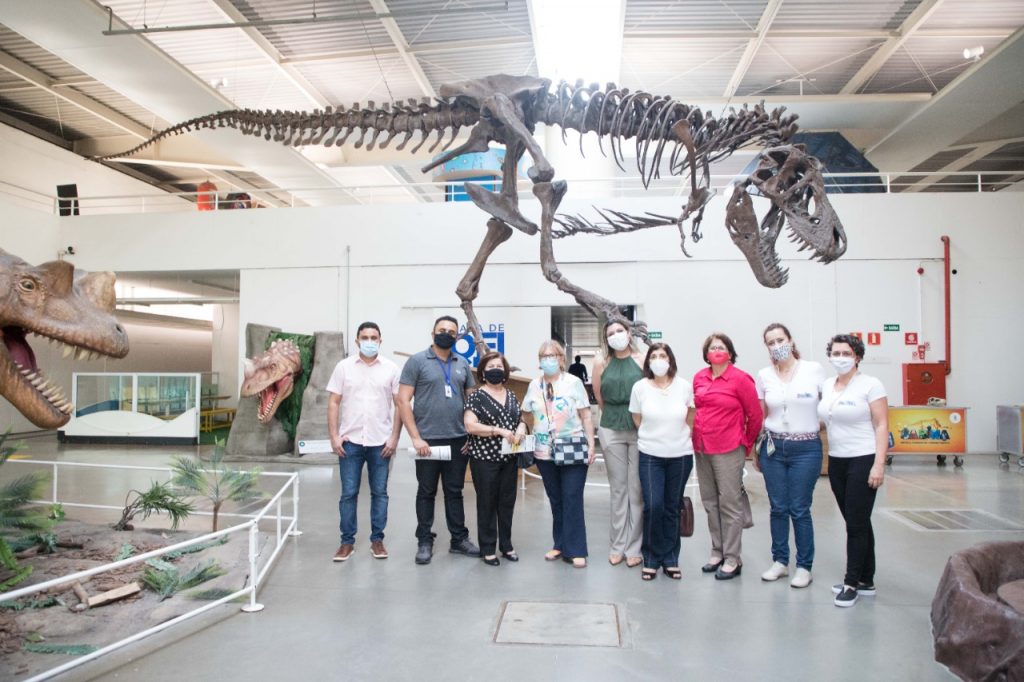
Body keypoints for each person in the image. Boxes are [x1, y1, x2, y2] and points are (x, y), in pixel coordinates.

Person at [397, 315, 480, 565]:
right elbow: (403, 401)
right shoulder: (417, 361)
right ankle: (424, 540)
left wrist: (470, 434)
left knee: (455, 492)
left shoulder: (462, 363)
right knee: (426, 492)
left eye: (452, 331)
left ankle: (459, 540)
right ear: (432, 333)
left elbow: (471, 402)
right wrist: (415, 437)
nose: (446, 333)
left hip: (458, 440)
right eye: (442, 330)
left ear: (457, 336)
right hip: (427, 442)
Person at [818, 333, 888, 608]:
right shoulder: (828, 384)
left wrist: (879, 464)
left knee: (856, 525)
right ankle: (866, 579)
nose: (840, 358)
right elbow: (826, 419)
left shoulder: (870, 385)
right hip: (837, 459)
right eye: (835, 353)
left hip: (863, 457)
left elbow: (882, 425)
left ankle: (851, 583)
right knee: (856, 520)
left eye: (846, 353)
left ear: (857, 356)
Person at [755, 323, 826, 588]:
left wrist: (813, 426)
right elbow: (762, 414)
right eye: (771, 342)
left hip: (805, 448)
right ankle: (780, 561)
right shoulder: (764, 375)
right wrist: (757, 448)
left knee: (799, 508)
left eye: (780, 339)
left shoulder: (813, 370)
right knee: (778, 507)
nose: (776, 346)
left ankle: (804, 566)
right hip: (774, 447)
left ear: (791, 340)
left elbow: (826, 406)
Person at [327, 322, 402, 562]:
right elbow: (334, 403)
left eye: (374, 337)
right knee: (349, 493)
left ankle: (377, 540)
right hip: (350, 442)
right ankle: (346, 542)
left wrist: (394, 437)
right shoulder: (343, 367)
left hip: (381, 442)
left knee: (380, 493)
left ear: (381, 340)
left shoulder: (391, 368)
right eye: (365, 337)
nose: (369, 341)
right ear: (358, 340)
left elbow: (400, 404)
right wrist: (334, 436)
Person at [692, 332, 763, 580]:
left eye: (721, 347)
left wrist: (746, 444)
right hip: (702, 447)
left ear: (730, 353)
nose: (717, 350)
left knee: (729, 504)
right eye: (712, 347)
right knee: (710, 502)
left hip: (728, 448)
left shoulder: (741, 379)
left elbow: (755, 416)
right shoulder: (699, 377)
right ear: (706, 354)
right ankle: (717, 550)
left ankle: (733, 557)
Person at [522, 339, 597, 568]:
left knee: (572, 497)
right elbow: (526, 413)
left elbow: (585, 416)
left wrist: (591, 445)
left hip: (572, 447)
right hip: (544, 451)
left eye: (552, 356)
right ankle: (560, 543)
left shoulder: (573, 383)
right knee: (555, 499)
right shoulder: (534, 385)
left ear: (561, 359)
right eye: (543, 357)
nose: (548, 360)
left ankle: (576, 549)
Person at [629, 342, 694, 581]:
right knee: (653, 506)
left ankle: (670, 558)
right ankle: (651, 557)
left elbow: (691, 416)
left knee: (671, 507)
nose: (658, 360)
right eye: (653, 356)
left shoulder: (684, 386)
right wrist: (653, 435)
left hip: (680, 455)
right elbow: (637, 418)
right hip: (650, 455)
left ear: (670, 360)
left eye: (662, 355)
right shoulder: (640, 387)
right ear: (648, 362)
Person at [464, 352, 527, 566]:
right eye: (491, 366)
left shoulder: (510, 395)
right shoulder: (477, 396)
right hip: (484, 459)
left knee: (507, 502)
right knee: (487, 502)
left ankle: (507, 545)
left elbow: (521, 419)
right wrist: (497, 430)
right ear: (483, 372)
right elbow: (470, 425)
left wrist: (520, 428)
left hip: (508, 458)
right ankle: (488, 547)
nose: (495, 369)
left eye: (499, 366)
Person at [592, 319, 645, 568]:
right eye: (611, 332)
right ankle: (617, 545)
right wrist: (613, 414)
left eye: (620, 331)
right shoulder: (601, 361)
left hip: (638, 427)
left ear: (628, 332)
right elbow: (599, 396)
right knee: (618, 489)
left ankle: (634, 547)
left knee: (636, 489)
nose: (616, 335)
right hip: (611, 427)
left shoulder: (641, 359)